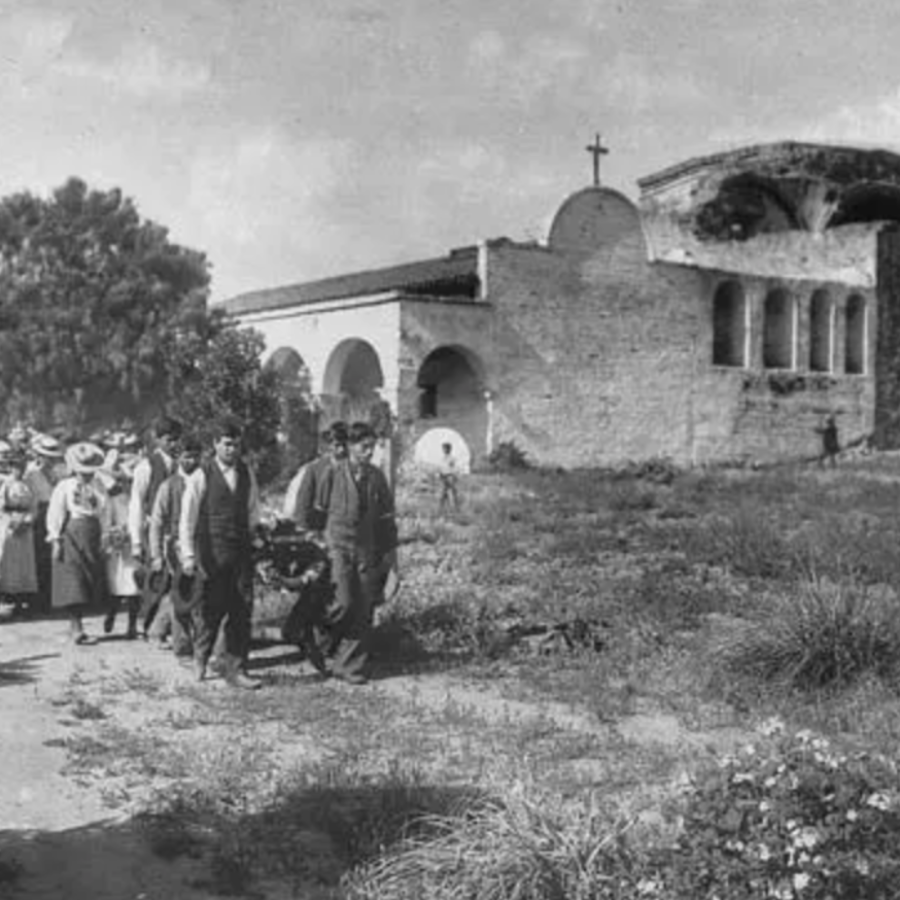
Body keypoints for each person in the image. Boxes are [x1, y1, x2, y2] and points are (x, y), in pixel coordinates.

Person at [311, 421, 398, 685]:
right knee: (343, 604)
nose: (370, 452)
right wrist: (318, 548)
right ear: (350, 447)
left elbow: (386, 520)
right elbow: (318, 513)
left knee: (362, 607)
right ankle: (319, 635)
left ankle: (348, 666)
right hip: (336, 547)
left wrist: (390, 558)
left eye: (372, 447)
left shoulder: (376, 477)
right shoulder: (332, 474)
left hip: (365, 550)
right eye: (364, 447)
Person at [178, 418, 262, 689]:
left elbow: (253, 512)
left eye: (236, 444)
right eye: (226, 444)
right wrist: (189, 556)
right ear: (215, 444)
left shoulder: (247, 473)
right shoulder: (201, 474)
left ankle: (237, 668)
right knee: (211, 610)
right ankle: (201, 657)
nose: (231, 449)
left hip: (240, 554)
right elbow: (187, 519)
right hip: (211, 554)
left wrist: (256, 539)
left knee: (241, 609)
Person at [46, 442, 109, 645]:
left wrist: (105, 537)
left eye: (90, 471)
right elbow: (55, 512)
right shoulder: (65, 486)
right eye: (83, 471)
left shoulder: (99, 487)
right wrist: (55, 539)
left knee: (90, 579)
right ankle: (77, 628)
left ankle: (80, 624)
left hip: (93, 533)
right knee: (74, 580)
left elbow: (105, 513)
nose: (86, 475)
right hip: (73, 533)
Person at [146, 437, 202, 657]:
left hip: (198, 544)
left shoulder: (203, 480)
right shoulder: (169, 486)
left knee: (192, 591)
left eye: (196, 456)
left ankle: (158, 629)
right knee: (181, 591)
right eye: (187, 456)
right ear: (178, 457)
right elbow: (157, 523)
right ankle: (182, 642)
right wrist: (156, 554)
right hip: (175, 544)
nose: (192, 460)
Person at [129, 417, 182, 632]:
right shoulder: (146, 467)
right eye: (169, 440)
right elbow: (136, 504)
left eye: (177, 440)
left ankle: (169, 627)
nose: (174, 444)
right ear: (158, 439)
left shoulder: (184, 464)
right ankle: (147, 624)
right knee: (156, 579)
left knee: (178, 579)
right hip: (154, 530)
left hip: (179, 529)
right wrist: (135, 541)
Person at [100, 455, 142, 639]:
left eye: (127, 481)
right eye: (120, 480)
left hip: (135, 545)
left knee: (135, 586)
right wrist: (114, 534)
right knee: (117, 585)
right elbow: (106, 522)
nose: (124, 484)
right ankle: (111, 614)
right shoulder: (112, 500)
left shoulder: (138, 499)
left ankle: (132, 625)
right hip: (117, 547)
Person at [26, 434, 65, 613]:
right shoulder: (31, 473)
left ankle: (52, 597)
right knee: (38, 558)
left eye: (52, 456)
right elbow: (30, 497)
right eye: (46, 456)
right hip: (39, 515)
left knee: (53, 557)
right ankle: (38, 600)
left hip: (56, 512)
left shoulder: (57, 472)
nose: (50, 459)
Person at [290, 421, 349, 532]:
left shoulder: (356, 470)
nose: (341, 450)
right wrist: (304, 529)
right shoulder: (315, 469)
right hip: (320, 528)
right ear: (329, 445)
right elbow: (303, 505)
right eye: (337, 445)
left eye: (344, 445)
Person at [0, 450, 39, 618]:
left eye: (22, 467)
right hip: (10, 524)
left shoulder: (28, 484)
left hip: (26, 524)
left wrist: (28, 520)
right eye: (16, 467)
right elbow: (1, 505)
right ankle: (11, 597)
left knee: (26, 562)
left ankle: (25, 598)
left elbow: (34, 505)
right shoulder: (6, 484)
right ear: (10, 468)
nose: (19, 470)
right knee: (11, 562)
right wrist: (11, 521)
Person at [437, 442, 460, 513]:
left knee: (452, 493)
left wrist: (454, 477)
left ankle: (455, 508)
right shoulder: (442, 458)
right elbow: (441, 468)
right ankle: (441, 509)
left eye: (445, 449)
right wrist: (440, 474)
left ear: (449, 449)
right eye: (443, 449)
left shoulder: (451, 458)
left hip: (450, 476)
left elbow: (453, 468)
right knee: (442, 494)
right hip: (443, 477)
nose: (444, 450)